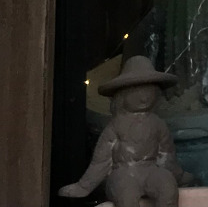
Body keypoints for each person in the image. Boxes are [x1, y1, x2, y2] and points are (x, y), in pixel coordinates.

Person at [58, 56, 185, 207]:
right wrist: (84, 186)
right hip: (123, 172)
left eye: (148, 91)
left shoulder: (158, 124)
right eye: (136, 92)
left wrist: (178, 175)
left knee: (167, 187)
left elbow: (166, 155)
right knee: (126, 195)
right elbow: (102, 160)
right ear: (122, 95)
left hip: (150, 169)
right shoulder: (115, 125)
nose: (143, 97)